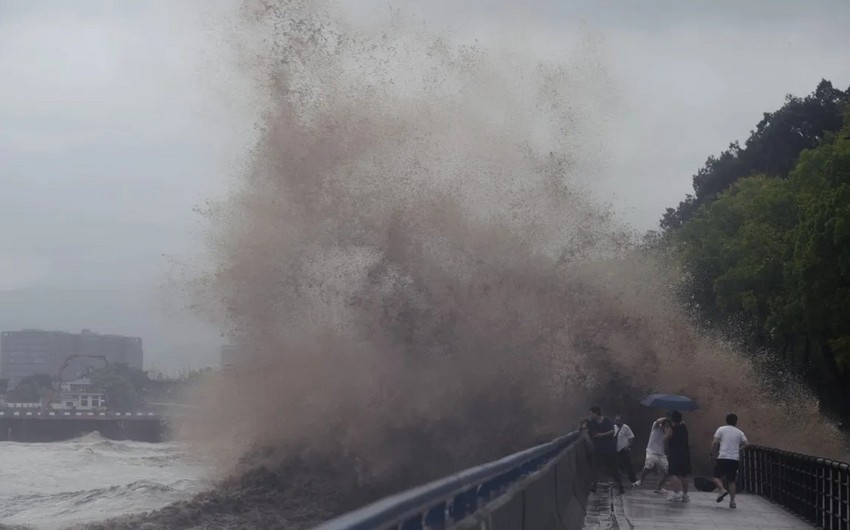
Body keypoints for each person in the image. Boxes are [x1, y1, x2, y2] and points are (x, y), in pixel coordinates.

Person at [711, 413, 749, 509]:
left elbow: (715, 442)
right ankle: (732, 502)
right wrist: (739, 449)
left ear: (726, 420)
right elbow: (747, 444)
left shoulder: (721, 429)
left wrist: (711, 453)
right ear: (736, 422)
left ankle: (722, 489)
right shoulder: (739, 432)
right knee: (732, 481)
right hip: (734, 459)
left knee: (716, 477)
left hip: (723, 457)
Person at [585, 406, 625, 494]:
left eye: (591, 413)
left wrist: (601, 435)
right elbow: (581, 429)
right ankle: (594, 486)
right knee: (597, 468)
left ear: (596, 413)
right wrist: (581, 423)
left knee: (614, 469)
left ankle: (620, 486)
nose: (590, 415)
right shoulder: (591, 423)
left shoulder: (607, 421)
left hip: (610, 449)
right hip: (599, 449)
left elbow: (612, 431)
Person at [633, 417, 670, 493]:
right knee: (648, 466)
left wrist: (666, 431)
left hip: (661, 454)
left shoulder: (667, 431)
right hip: (651, 451)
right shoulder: (656, 426)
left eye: (667, 425)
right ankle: (640, 480)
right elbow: (657, 421)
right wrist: (666, 418)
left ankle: (659, 487)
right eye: (665, 424)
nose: (666, 426)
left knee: (668, 471)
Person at [666, 410, 691, 502]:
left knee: (673, 474)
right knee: (684, 474)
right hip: (685, 454)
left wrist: (666, 429)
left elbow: (665, 439)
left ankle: (676, 493)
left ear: (672, 419)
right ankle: (685, 495)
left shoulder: (671, 429)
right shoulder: (684, 427)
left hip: (675, 454)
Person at [614, 415, 637, 484]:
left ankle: (633, 479)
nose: (617, 422)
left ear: (622, 421)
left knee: (627, 464)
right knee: (616, 464)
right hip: (615, 449)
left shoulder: (626, 428)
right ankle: (617, 478)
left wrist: (628, 445)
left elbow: (631, 437)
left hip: (624, 449)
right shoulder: (614, 427)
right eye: (616, 420)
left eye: (618, 420)